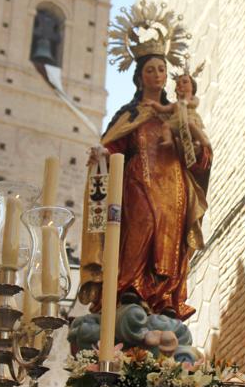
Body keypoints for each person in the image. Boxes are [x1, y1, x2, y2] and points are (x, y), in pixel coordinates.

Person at [79, 53, 211, 321]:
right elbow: (113, 147)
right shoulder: (131, 115)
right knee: (143, 224)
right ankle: (130, 286)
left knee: (170, 235)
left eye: (161, 69)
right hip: (138, 180)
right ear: (140, 77)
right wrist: (101, 154)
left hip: (174, 185)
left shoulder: (177, 111)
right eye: (150, 70)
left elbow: (199, 157)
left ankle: (165, 296)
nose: (157, 74)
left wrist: (198, 149)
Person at [149, 71, 212, 156]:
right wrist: (154, 104)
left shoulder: (193, 98)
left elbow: (194, 103)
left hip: (189, 118)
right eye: (178, 84)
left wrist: (186, 101)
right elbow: (163, 109)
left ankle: (202, 140)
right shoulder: (175, 104)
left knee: (190, 124)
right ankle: (168, 140)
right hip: (177, 122)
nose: (181, 85)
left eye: (185, 82)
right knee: (166, 125)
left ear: (192, 87)